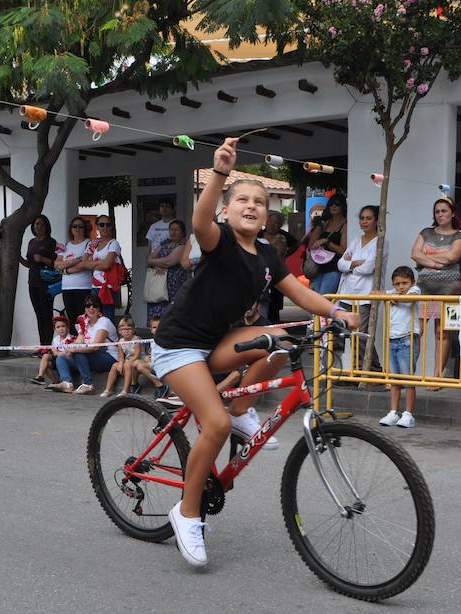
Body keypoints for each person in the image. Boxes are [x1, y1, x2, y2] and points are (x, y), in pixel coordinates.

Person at [152, 138, 358, 568]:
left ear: (268, 214)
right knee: (214, 424)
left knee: (280, 337)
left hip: (218, 340)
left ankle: (243, 408)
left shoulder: (266, 254)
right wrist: (220, 173)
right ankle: (187, 514)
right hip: (178, 346)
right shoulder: (219, 239)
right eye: (242, 200)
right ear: (228, 210)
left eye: (260, 201)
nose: (251, 205)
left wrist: (338, 311)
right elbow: (199, 219)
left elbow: (299, 291)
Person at [410, 198, 461, 387]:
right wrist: (437, 263)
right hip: (425, 287)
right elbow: (414, 254)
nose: (440, 214)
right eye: (437, 211)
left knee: (441, 332)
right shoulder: (426, 232)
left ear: (452, 213)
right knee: (417, 330)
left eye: (444, 211)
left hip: (449, 288)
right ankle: (408, 372)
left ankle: (437, 376)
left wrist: (427, 257)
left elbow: (453, 256)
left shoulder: (459, 235)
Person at [337, 205, 386, 374]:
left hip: (366, 294)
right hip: (348, 293)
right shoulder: (355, 241)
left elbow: (369, 268)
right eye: (362, 218)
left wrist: (350, 265)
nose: (364, 221)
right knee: (347, 334)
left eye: (369, 218)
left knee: (362, 335)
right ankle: (367, 369)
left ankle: (368, 370)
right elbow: (340, 264)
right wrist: (354, 264)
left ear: (377, 221)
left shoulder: (380, 242)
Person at [378, 266, 422, 428]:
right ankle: (393, 412)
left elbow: (410, 298)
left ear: (412, 282)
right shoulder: (393, 292)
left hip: (408, 338)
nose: (401, 287)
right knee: (394, 379)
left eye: (405, 283)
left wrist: (393, 297)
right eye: (397, 284)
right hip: (392, 339)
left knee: (408, 378)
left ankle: (408, 414)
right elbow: (374, 293)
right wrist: (390, 294)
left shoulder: (415, 290)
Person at [51, 294, 118, 394]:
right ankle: (67, 383)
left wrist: (74, 350)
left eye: (94, 306)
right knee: (62, 357)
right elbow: (79, 341)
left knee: (78, 352)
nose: (91, 308)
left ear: (99, 308)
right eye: (88, 306)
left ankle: (88, 384)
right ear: (85, 308)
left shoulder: (104, 322)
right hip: (91, 356)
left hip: (109, 356)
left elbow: (94, 347)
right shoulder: (85, 322)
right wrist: (66, 349)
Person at [20, 214, 58, 345]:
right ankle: (43, 345)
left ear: (46, 226)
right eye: (37, 224)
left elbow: (56, 262)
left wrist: (42, 259)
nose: (39, 227)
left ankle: (48, 345)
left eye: (42, 224)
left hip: (46, 284)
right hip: (33, 282)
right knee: (39, 315)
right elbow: (29, 263)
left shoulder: (51, 242)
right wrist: (18, 258)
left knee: (47, 315)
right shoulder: (31, 242)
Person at [146, 219, 191, 323]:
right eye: (171, 229)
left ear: (183, 232)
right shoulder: (164, 242)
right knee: (157, 311)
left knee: (172, 312)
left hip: (174, 284)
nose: (173, 232)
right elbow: (149, 258)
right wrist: (154, 264)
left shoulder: (184, 244)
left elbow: (169, 261)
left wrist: (154, 262)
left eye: (177, 230)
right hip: (160, 283)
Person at [82, 215, 124, 321]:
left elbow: (107, 265)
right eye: (101, 224)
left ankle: (110, 338)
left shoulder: (113, 243)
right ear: (97, 227)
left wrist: (93, 263)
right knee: (94, 317)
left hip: (108, 286)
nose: (105, 227)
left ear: (111, 227)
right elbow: (84, 263)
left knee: (107, 317)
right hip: (95, 285)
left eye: (108, 224)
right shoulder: (94, 244)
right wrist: (100, 263)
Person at [306, 194, 347, 296]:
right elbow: (311, 246)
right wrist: (318, 227)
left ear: (343, 207)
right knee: (314, 299)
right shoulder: (324, 223)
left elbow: (343, 250)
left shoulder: (345, 225)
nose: (334, 206)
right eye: (331, 204)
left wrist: (326, 242)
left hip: (333, 268)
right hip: (318, 267)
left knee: (324, 299)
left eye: (337, 204)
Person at [55, 216, 93, 326]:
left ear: (85, 229)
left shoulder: (88, 243)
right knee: (71, 320)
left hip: (83, 287)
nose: (77, 229)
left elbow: (85, 264)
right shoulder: (66, 245)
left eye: (80, 226)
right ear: (70, 229)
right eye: (74, 226)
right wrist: (77, 260)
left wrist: (66, 270)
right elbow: (57, 265)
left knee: (83, 320)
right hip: (67, 287)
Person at [100, 316, 144, 397]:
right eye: (123, 329)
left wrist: (127, 363)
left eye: (129, 329)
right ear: (119, 331)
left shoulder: (137, 340)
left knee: (127, 364)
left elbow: (137, 355)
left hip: (137, 361)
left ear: (134, 330)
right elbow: (121, 356)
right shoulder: (121, 342)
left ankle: (125, 390)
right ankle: (108, 390)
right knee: (114, 366)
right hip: (127, 361)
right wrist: (120, 363)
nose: (126, 331)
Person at [31, 315, 74, 386]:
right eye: (58, 327)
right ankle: (46, 378)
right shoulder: (55, 339)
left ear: (67, 327)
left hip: (68, 361)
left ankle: (43, 378)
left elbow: (67, 353)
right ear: (55, 329)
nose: (61, 329)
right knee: (46, 360)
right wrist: (59, 353)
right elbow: (54, 352)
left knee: (48, 358)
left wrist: (58, 353)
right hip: (57, 359)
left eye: (63, 326)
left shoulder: (71, 339)